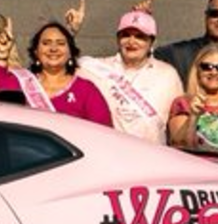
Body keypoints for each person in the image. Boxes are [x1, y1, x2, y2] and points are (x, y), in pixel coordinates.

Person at [78, 9, 184, 144]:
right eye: (126, 35)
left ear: (151, 41)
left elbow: (178, 120)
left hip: (151, 154)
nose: (131, 41)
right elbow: (61, 72)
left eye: (140, 36)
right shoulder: (94, 68)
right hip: (105, 150)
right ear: (118, 39)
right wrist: (72, 33)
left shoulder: (167, 75)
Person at [0, 22, 113, 125]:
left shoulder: (86, 90)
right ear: (36, 52)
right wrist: (2, 56)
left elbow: (104, 133)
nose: (53, 49)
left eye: (61, 43)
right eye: (46, 43)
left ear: (70, 52)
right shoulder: (22, 81)